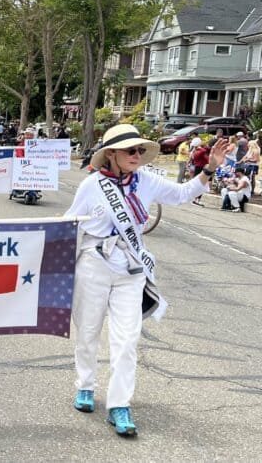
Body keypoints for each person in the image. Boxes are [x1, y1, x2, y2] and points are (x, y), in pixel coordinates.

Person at [65, 124, 227, 437]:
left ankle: (119, 405)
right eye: (130, 150)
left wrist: (209, 169)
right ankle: (85, 386)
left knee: (127, 340)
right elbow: (70, 221)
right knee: (87, 331)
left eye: (140, 149)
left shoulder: (147, 180)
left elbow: (182, 194)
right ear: (111, 154)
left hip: (131, 270)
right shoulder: (91, 185)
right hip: (94, 265)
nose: (137, 155)